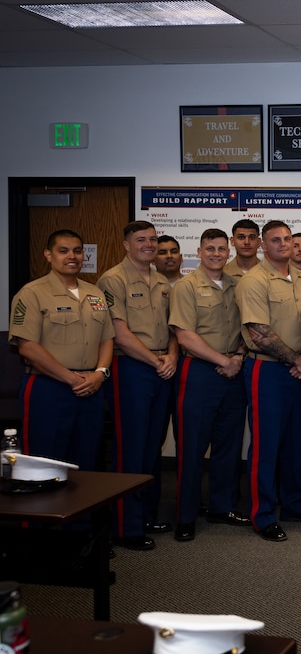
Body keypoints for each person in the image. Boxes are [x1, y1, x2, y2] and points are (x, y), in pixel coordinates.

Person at [98, 220, 179, 550]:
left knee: (151, 446)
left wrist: (171, 356)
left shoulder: (162, 281)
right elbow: (120, 334)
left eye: (153, 239)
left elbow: (174, 329)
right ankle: (126, 526)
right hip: (131, 368)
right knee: (130, 448)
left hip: (162, 367)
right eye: (141, 240)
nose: (149, 245)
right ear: (126, 245)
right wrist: (156, 361)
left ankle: (146, 514)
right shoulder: (113, 279)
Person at [168, 228, 250, 542]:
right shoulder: (186, 286)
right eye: (210, 249)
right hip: (200, 372)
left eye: (221, 249)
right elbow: (185, 336)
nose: (216, 254)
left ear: (228, 252)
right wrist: (223, 361)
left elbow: (247, 328)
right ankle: (186, 515)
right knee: (192, 447)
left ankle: (223, 506)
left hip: (233, 371)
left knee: (229, 445)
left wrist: (238, 357)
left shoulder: (237, 285)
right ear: (199, 252)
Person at [8, 230, 114, 472]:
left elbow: (107, 338)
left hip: (91, 388)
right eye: (63, 251)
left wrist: (99, 374)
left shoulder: (95, 293)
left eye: (77, 251)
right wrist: (71, 379)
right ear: (48, 254)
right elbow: (27, 346)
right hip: (49, 387)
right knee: (44, 461)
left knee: (86, 461)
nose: (72, 256)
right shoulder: (32, 293)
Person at [236, 220, 301, 543]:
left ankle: (294, 504)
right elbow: (259, 333)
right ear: (262, 245)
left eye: (287, 239)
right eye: (275, 240)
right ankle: (263, 514)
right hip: (267, 371)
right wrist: (297, 359)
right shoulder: (253, 281)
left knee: (298, 443)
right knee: (266, 445)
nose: (284, 244)